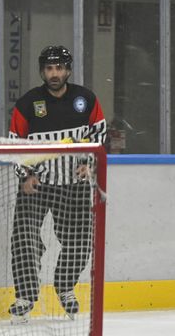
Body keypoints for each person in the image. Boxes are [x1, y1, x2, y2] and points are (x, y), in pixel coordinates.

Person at [7, 45, 107, 320]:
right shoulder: (27, 104)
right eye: (49, 68)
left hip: (73, 184)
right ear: (42, 71)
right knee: (24, 239)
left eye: (59, 68)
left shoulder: (86, 100)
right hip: (36, 185)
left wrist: (89, 163)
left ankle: (64, 286)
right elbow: (15, 144)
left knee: (81, 242)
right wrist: (25, 175)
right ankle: (25, 295)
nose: (54, 73)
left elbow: (100, 134)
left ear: (68, 70)